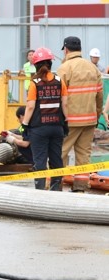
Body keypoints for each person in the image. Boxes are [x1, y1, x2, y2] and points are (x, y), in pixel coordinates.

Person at [57, 36, 103, 193]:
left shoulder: (64, 68)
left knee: (61, 152)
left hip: (70, 121)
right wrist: (96, 115)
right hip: (89, 119)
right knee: (84, 155)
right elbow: (99, 96)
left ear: (66, 50)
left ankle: (57, 185)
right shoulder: (93, 68)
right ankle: (80, 187)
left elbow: (58, 96)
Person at [21, 47, 68, 191]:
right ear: (50, 64)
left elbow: (30, 107)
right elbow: (65, 104)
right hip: (56, 127)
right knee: (56, 159)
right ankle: (55, 190)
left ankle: (40, 192)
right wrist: (66, 122)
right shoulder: (60, 81)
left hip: (38, 129)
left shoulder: (34, 83)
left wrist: (24, 125)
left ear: (35, 65)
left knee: (40, 160)